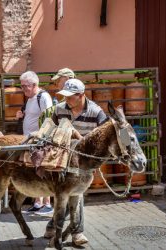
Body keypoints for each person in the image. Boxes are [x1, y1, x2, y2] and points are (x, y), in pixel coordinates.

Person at [46, 78, 107, 246]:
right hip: (62, 160)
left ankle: (69, 231)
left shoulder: (96, 112)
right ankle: (72, 232)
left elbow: (104, 139)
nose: (66, 100)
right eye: (64, 96)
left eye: (70, 97)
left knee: (75, 194)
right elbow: (50, 131)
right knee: (69, 194)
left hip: (85, 162)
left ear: (81, 95)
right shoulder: (59, 110)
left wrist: (95, 162)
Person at [15, 71, 54, 215]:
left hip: (41, 142)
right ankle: (38, 203)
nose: (23, 89)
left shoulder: (43, 97)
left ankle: (48, 204)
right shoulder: (30, 99)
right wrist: (21, 115)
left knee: (42, 171)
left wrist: (42, 138)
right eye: (22, 86)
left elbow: (49, 118)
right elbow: (31, 115)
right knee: (35, 171)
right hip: (30, 141)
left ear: (35, 85)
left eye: (25, 86)